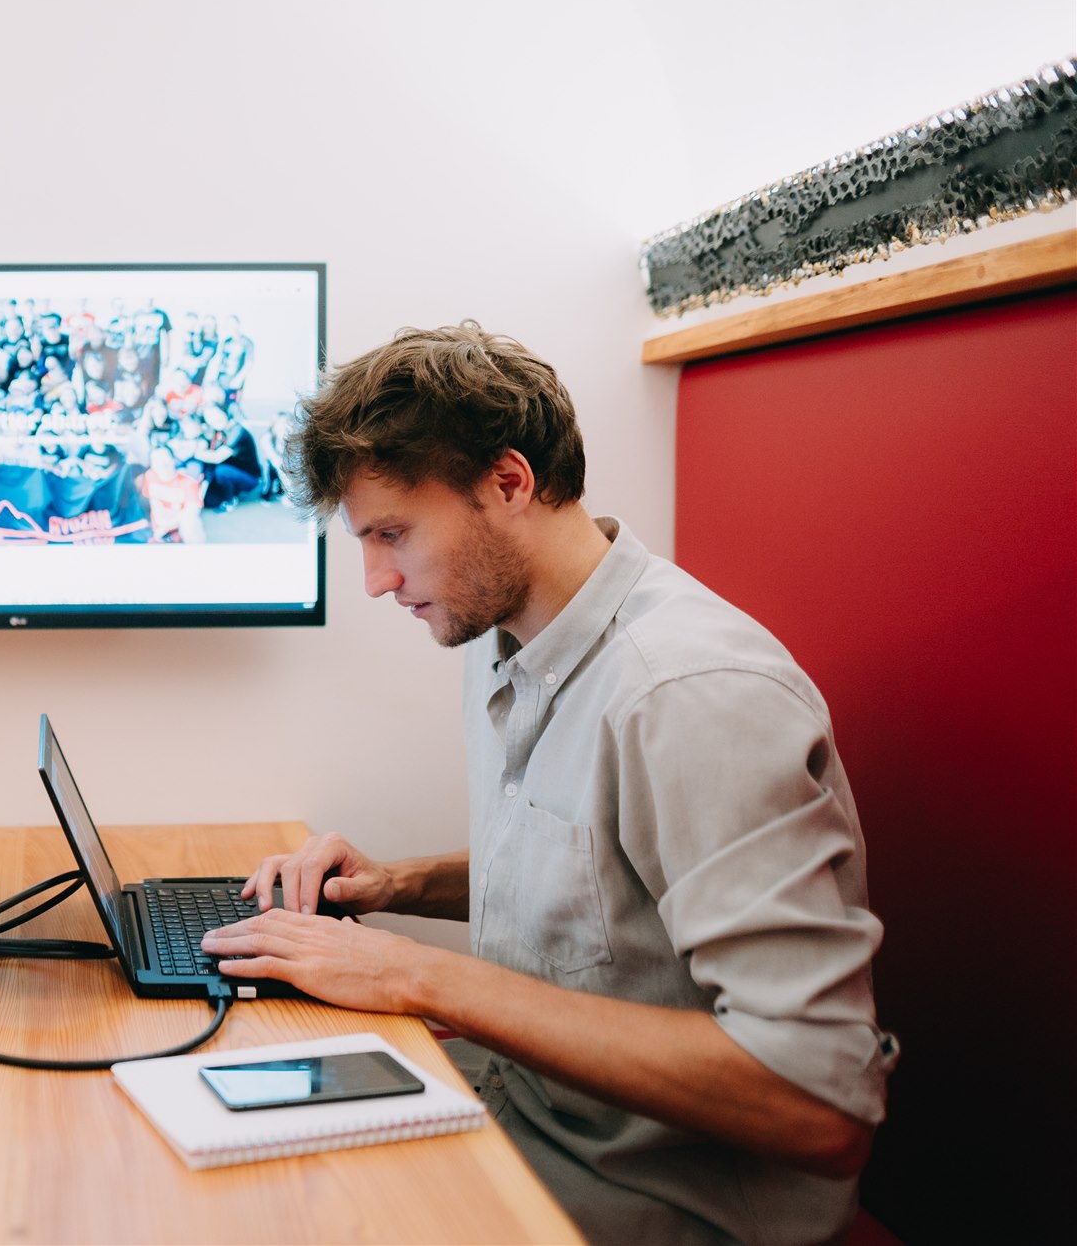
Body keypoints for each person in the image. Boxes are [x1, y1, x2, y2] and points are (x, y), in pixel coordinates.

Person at [202, 322, 895, 1246]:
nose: (374, 580)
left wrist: (413, 972)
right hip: (513, 1116)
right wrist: (396, 885)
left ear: (509, 482)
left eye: (392, 534)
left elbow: (819, 1101)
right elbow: (604, 876)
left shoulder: (687, 696)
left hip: (653, 1203)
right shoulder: (506, 635)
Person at [136, 445, 205, 545]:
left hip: (180, 529)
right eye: (156, 460)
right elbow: (151, 501)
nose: (162, 463)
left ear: (173, 460)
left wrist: (166, 527)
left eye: (165, 457)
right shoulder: (150, 476)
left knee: (191, 523)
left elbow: (192, 512)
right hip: (157, 530)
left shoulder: (188, 482)